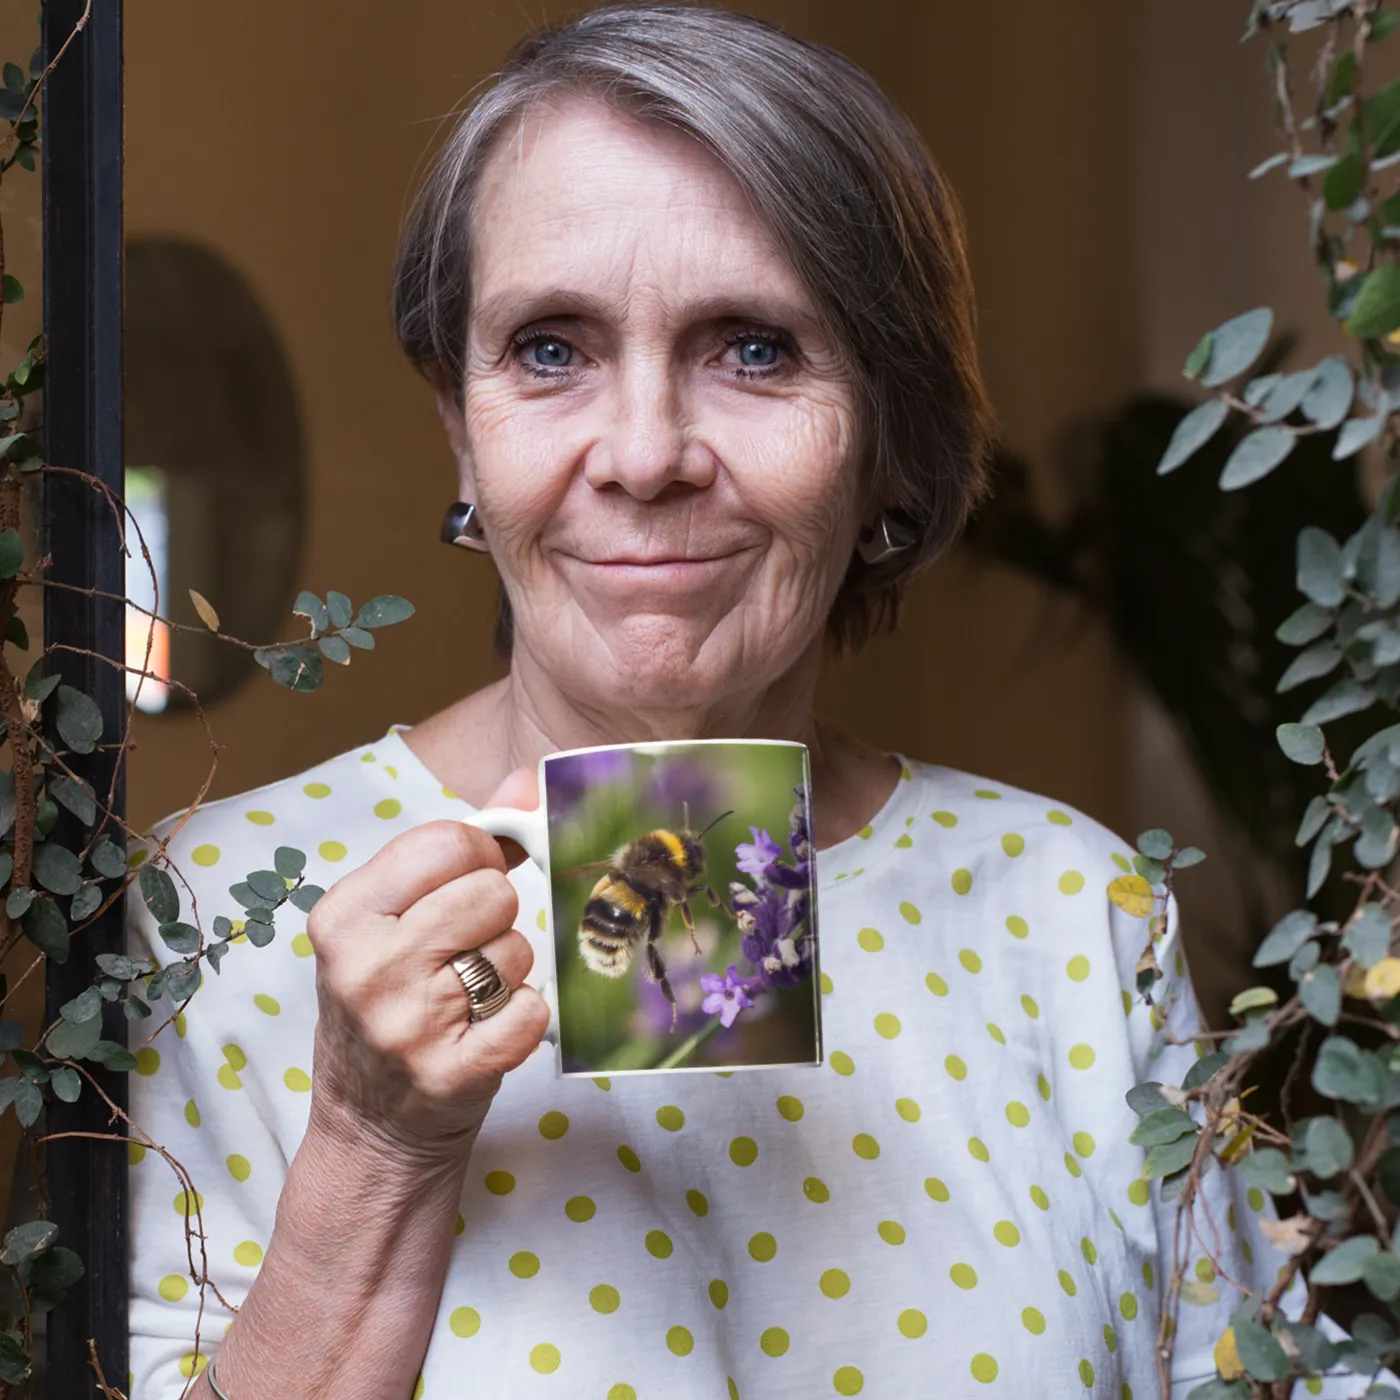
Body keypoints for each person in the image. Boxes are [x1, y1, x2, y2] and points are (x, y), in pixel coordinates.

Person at [126, 7, 1330, 1398]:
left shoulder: (1068, 913)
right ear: (461, 424)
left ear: (891, 435)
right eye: (551, 349)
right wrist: (375, 1149)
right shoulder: (214, 916)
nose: (643, 455)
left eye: (753, 348)